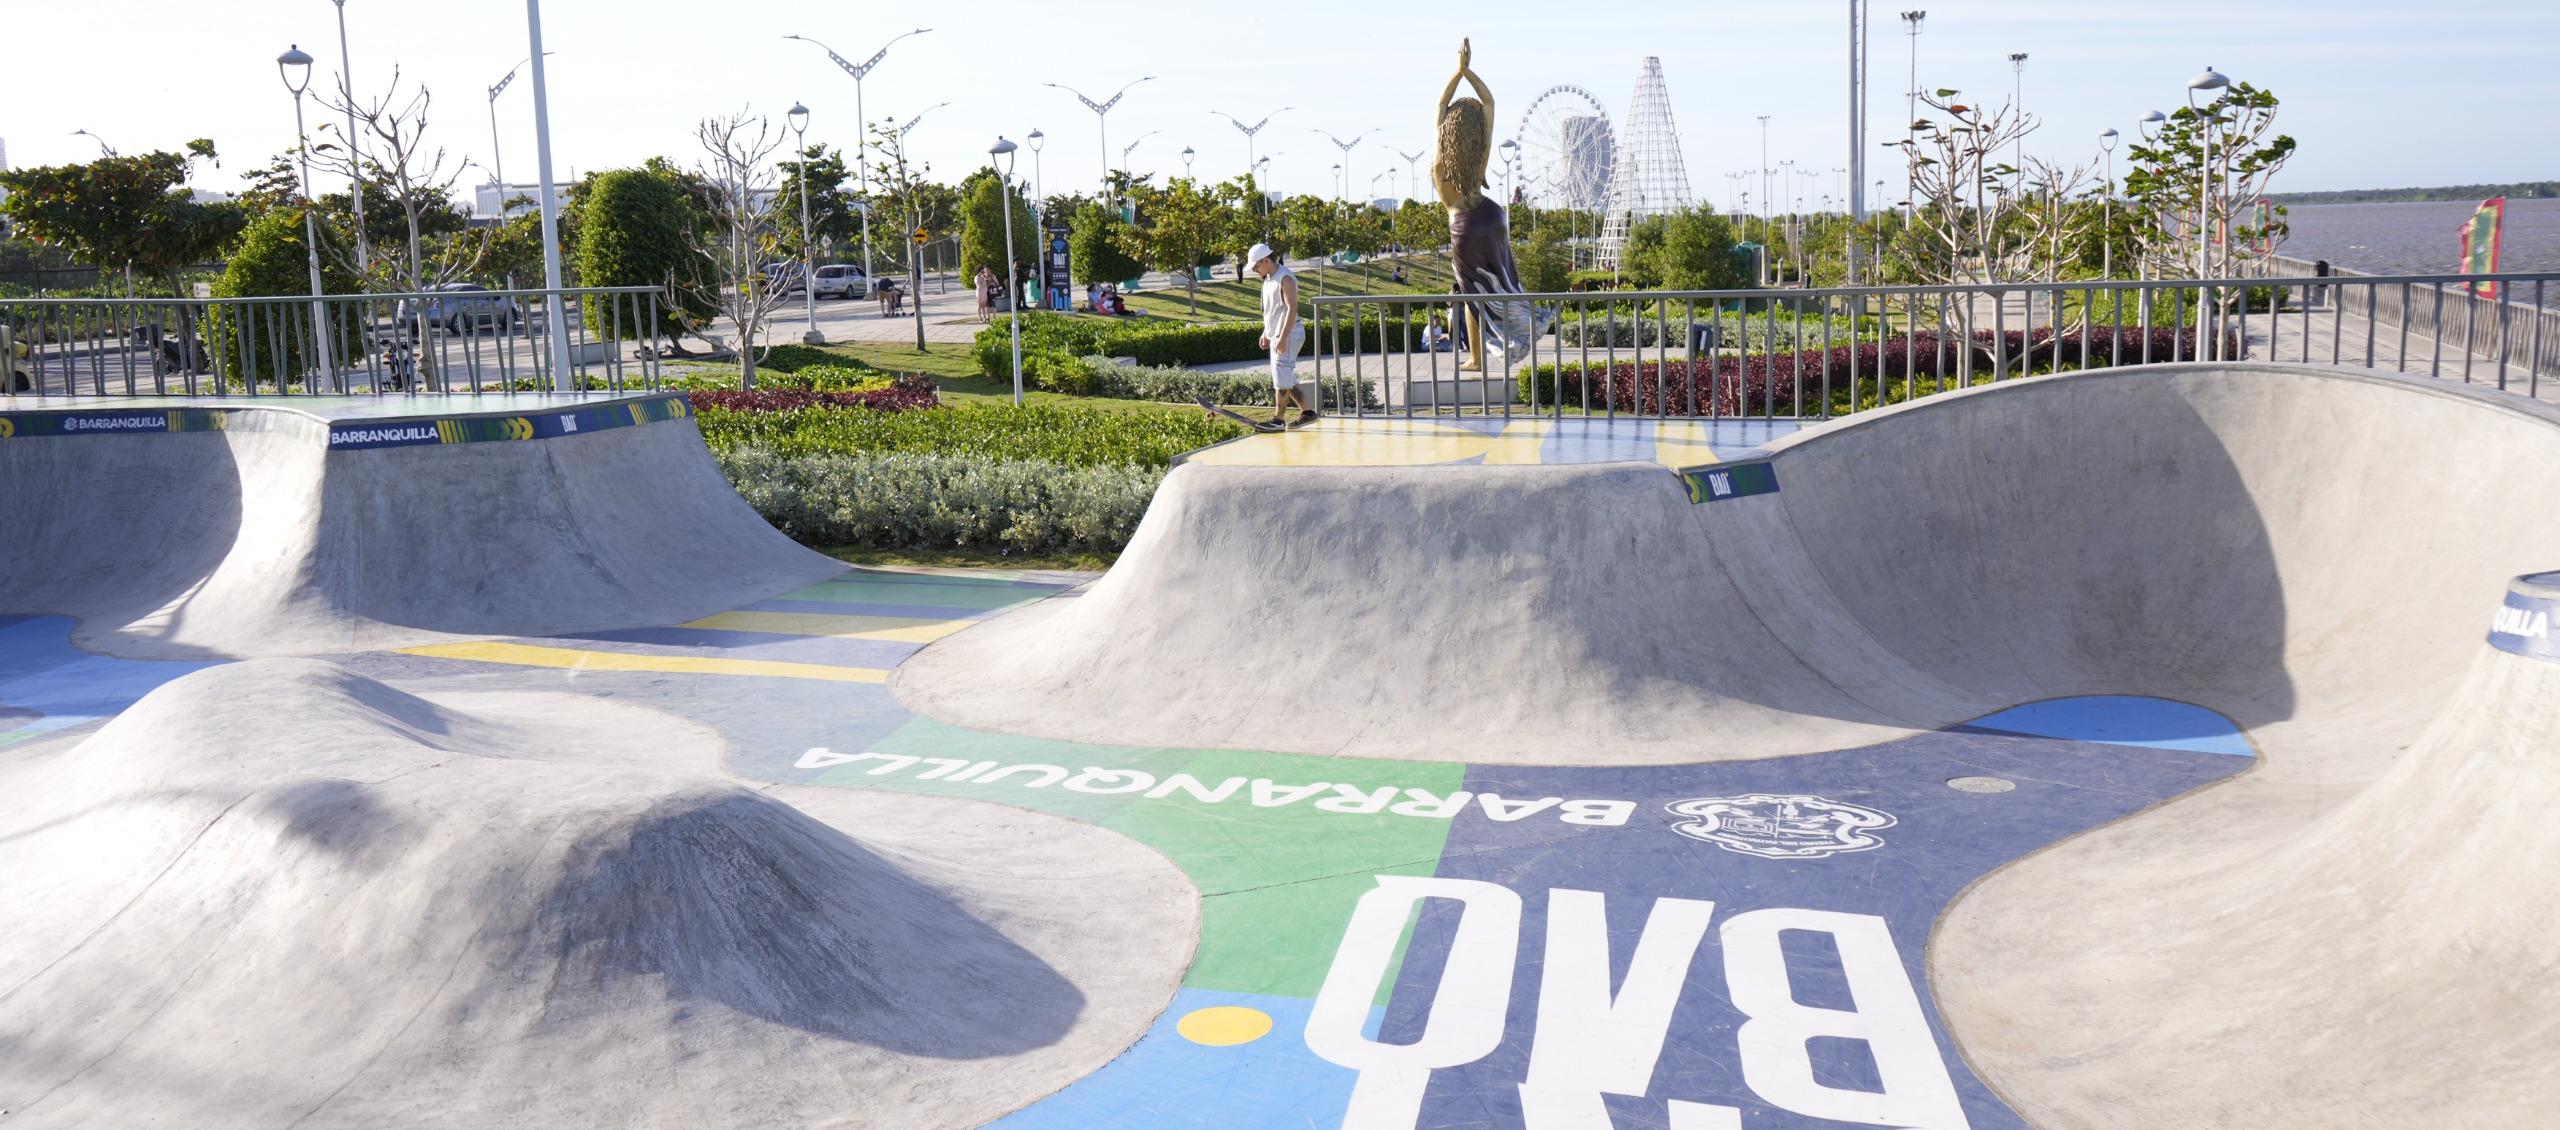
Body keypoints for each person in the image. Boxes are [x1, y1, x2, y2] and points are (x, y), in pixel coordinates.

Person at [1246, 242, 1316, 429]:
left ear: (1266, 260)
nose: (1254, 270)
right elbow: (1273, 311)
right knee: (1285, 378)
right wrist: (1266, 332)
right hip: (1278, 334)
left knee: (1282, 375)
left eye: (1256, 266)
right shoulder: (1268, 279)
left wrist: (1283, 337)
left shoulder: (1285, 279)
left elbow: (1292, 309)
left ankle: (1278, 419)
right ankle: (1308, 412)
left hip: (1290, 333)